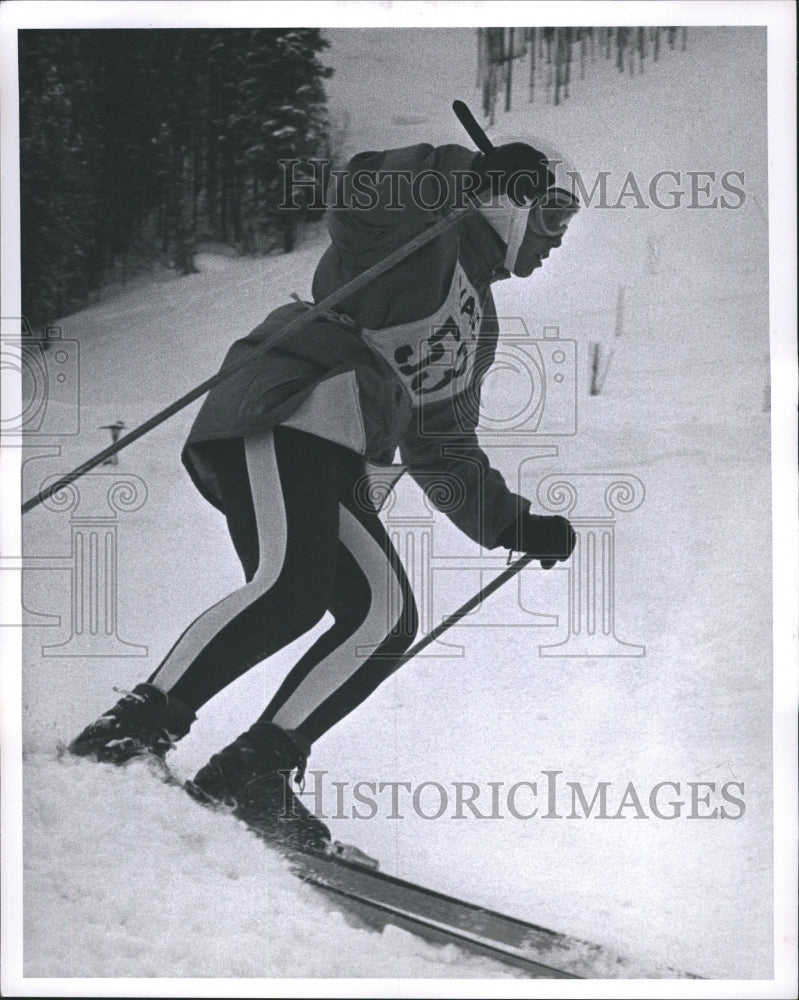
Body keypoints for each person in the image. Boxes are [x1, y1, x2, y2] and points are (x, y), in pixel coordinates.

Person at [70, 128, 579, 852]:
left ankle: (253, 772)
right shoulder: (424, 232)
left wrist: (514, 525)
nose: (557, 238)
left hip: (339, 446)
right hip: (288, 401)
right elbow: (361, 191)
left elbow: (442, 447)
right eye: (553, 215)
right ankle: (131, 731)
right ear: (517, 201)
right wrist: (469, 175)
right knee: (292, 588)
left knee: (384, 615)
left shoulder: (478, 325)